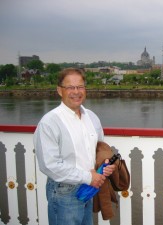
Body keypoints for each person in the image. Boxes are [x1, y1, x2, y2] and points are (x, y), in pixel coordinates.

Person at [33, 68, 115, 225]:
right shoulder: (49, 122)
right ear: (59, 90)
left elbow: (99, 149)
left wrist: (105, 165)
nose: (76, 92)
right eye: (70, 87)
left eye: (80, 86)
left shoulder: (91, 117)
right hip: (64, 192)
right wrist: (88, 177)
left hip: (88, 188)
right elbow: (49, 166)